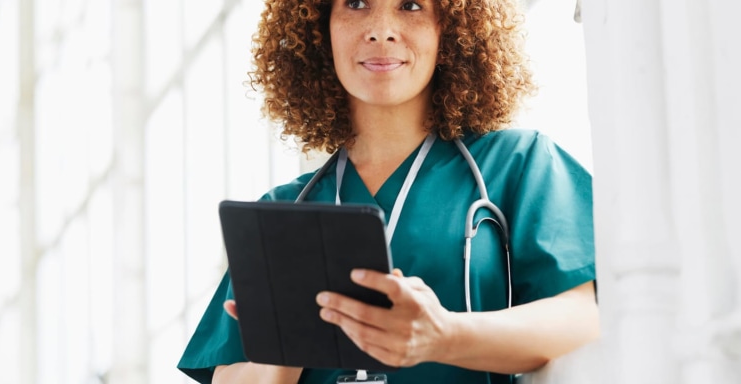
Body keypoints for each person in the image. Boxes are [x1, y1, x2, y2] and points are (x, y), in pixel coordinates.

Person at [178, 0, 600, 383]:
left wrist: (444, 336)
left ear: (450, 28)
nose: (382, 30)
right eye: (356, 3)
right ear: (320, 27)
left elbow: (584, 316)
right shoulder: (284, 210)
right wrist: (288, 348)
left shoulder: (517, 164)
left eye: (412, 5)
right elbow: (228, 375)